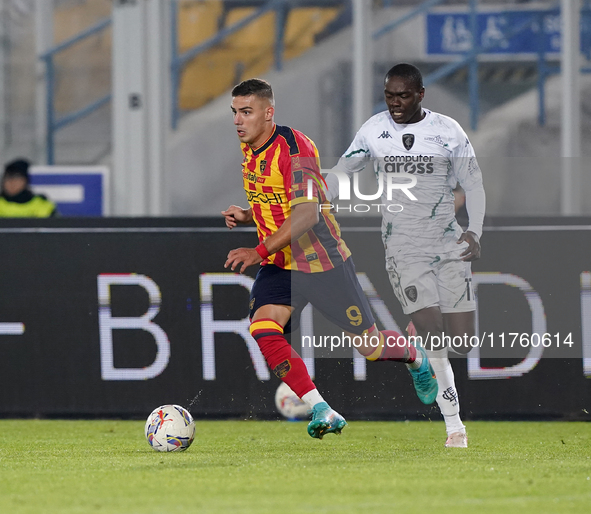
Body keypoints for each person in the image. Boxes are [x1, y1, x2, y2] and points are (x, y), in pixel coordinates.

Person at [222, 78, 438, 439]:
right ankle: (322, 408)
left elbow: (307, 215)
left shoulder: (296, 150)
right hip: (282, 266)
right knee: (262, 328)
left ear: (268, 113)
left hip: (322, 264)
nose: (238, 121)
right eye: (235, 113)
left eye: (246, 112)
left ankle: (416, 357)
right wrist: (248, 215)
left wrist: (257, 250)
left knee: (370, 347)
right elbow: (276, 200)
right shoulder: (251, 148)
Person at [325, 63, 485, 448]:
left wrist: (474, 230)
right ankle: (454, 427)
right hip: (403, 247)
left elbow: (474, 185)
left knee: (461, 340)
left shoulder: (448, 132)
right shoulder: (374, 130)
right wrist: (316, 198)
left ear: (421, 94)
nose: (395, 104)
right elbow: (342, 171)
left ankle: (422, 354)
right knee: (434, 334)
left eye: (403, 96)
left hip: (447, 242)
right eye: (389, 96)